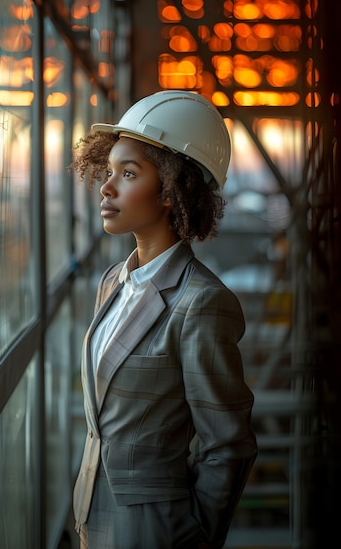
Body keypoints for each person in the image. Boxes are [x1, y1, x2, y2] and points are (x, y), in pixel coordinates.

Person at [69, 90, 257, 549]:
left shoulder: (202, 302)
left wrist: (194, 537)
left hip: (158, 529)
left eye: (128, 174)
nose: (107, 187)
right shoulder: (115, 281)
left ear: (172, 190)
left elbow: (227, 445)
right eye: (108, 171)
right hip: (91, 514)